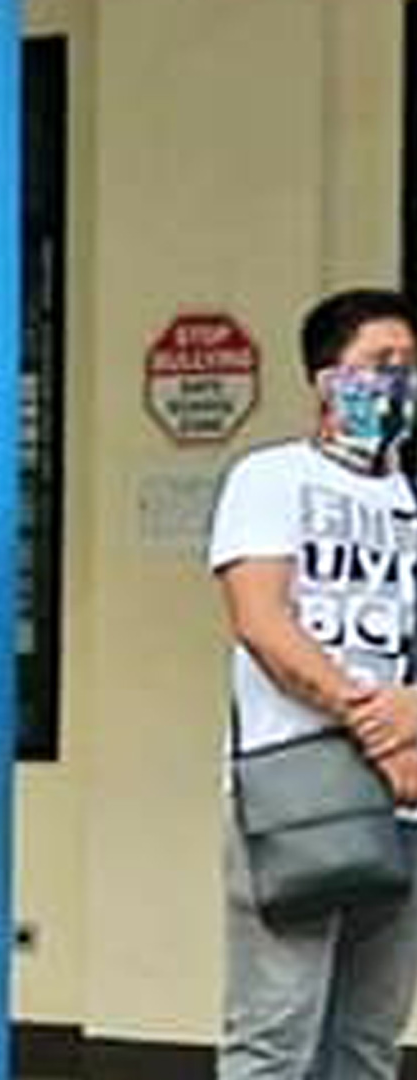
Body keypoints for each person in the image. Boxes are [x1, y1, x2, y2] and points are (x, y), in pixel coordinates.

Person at [210, 288, 417, 1079]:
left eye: (409, 365)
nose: (398, 381)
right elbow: (261, 621)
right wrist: (374, 723)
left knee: (369, 1038)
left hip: (406, 798)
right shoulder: (270, 478)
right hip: (298, 791)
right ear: (327, 379)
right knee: (276, 1034)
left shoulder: (409, 495)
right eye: (380, 362)